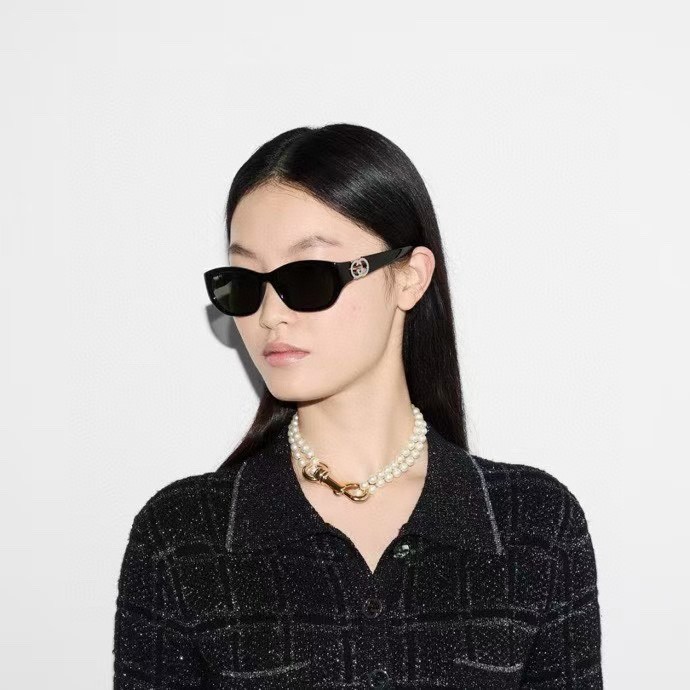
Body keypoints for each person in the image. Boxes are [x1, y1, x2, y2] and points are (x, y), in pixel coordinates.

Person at [113, 123, 603, 688]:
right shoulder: (182, 539)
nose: (270, 315)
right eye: (245, 281)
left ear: (409, 278)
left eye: (308, 277)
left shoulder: (534, 525)